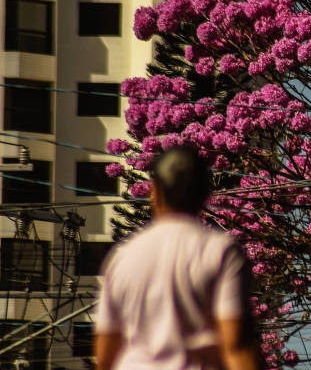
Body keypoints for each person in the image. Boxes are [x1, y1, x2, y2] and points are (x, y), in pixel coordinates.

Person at [95, 147, 264, 370]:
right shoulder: (221, 252)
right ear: (204, 194)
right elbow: (236, 346)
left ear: (154, 193)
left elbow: (106, 354)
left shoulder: (122, 257)